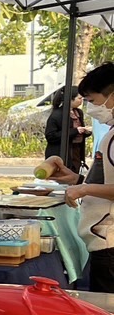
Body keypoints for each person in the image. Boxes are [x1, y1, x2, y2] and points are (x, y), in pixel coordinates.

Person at [45, 64, 114, 291]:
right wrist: (77, 180)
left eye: (93, 101)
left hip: (109, 243)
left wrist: (83, 190)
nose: (92, 108)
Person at [44, 87, 90, 169]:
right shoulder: (57, 115)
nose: (81, 101)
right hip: (62, 153)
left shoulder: (78, 112)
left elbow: (78, 131)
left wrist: (85, 132)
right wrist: (75, 131)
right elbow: (51, 136)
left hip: (76, 151)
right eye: (79, 98)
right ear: (70, 99)